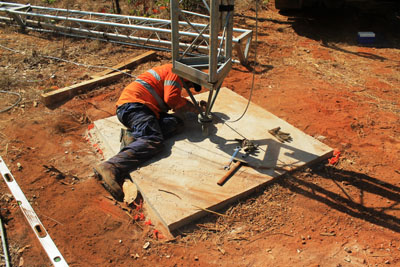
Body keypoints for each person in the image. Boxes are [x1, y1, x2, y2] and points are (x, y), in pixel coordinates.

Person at [94, 63, 203, 201]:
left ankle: (134, 138)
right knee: (153, 140)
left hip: (142, 108)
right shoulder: (177, 72)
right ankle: (111, 166)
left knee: (176, 123)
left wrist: (190, 107)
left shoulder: (172, 71)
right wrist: (190, 107)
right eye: (190, 85)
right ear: (189, 78)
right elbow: (171, 99)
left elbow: (170, 100)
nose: (188, 87)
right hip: (134, 107)